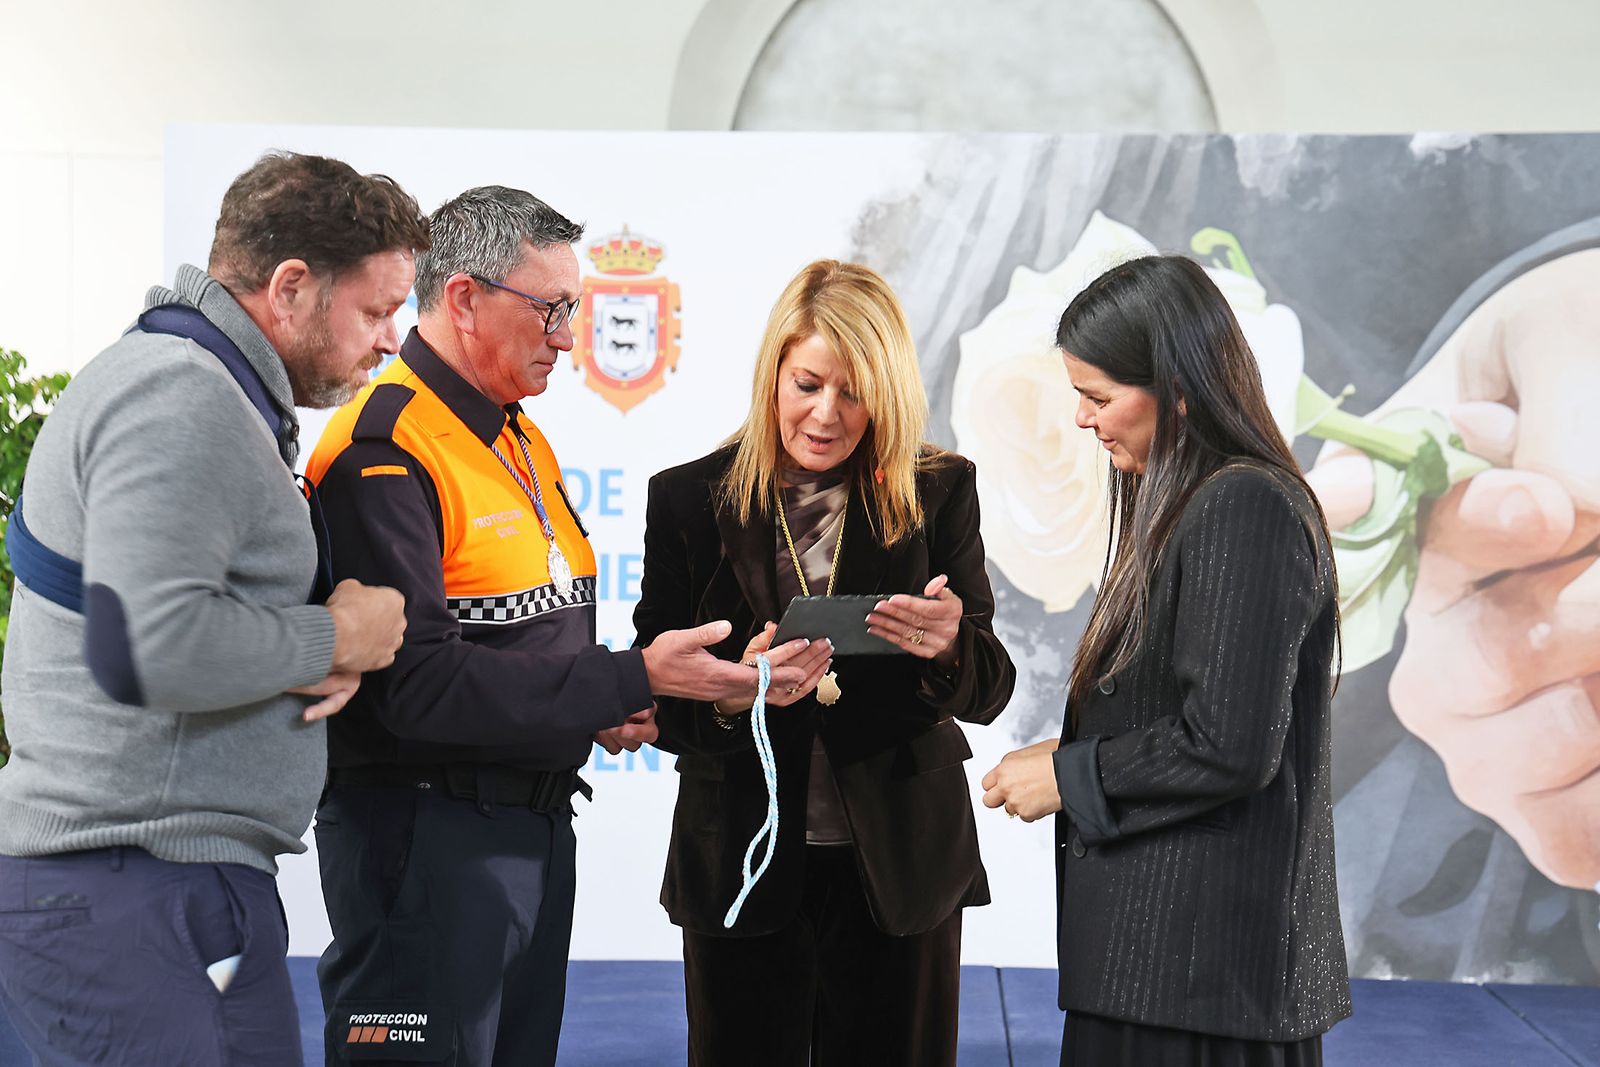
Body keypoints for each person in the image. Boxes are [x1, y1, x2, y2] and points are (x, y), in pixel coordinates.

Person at [303, 186, 822, 1067]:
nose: (567, 333)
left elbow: (521, 644)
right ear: (464, 299)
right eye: (550, 309)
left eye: (571, 309)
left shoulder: (518, 437)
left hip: (530, 835)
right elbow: (416, 687)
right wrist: (632, 678)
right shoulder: (384, 446)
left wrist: (597, 706)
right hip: (428, 846)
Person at [0, 151, 425, 1066]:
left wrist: (319, 634)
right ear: (291, 286)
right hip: (140, 894)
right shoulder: (180, 393)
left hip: (151, 891)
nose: (393, 339)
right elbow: (148, 646)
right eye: (378, 309)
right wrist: (334, 634)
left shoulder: (205, 390)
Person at [633, 259, 1016, 1066]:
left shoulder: (939, 491)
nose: (826, 414)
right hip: (741, 854)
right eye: (807, 383)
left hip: (900, 869)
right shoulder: (687, 500)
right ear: (773, 370)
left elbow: (991, 684)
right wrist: (737, 694)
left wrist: (949, 646)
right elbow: (657, 694)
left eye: (853, 390)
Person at [981, 254, 1351, 1064]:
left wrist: (1073, 776)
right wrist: (1066, 756)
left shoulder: (1240, 504)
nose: (1083, 420)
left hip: (1199, 982)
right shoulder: (1195, 501)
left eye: (1099, 397)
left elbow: (1228, 743)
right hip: (1170, 974)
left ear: (1178, 390)